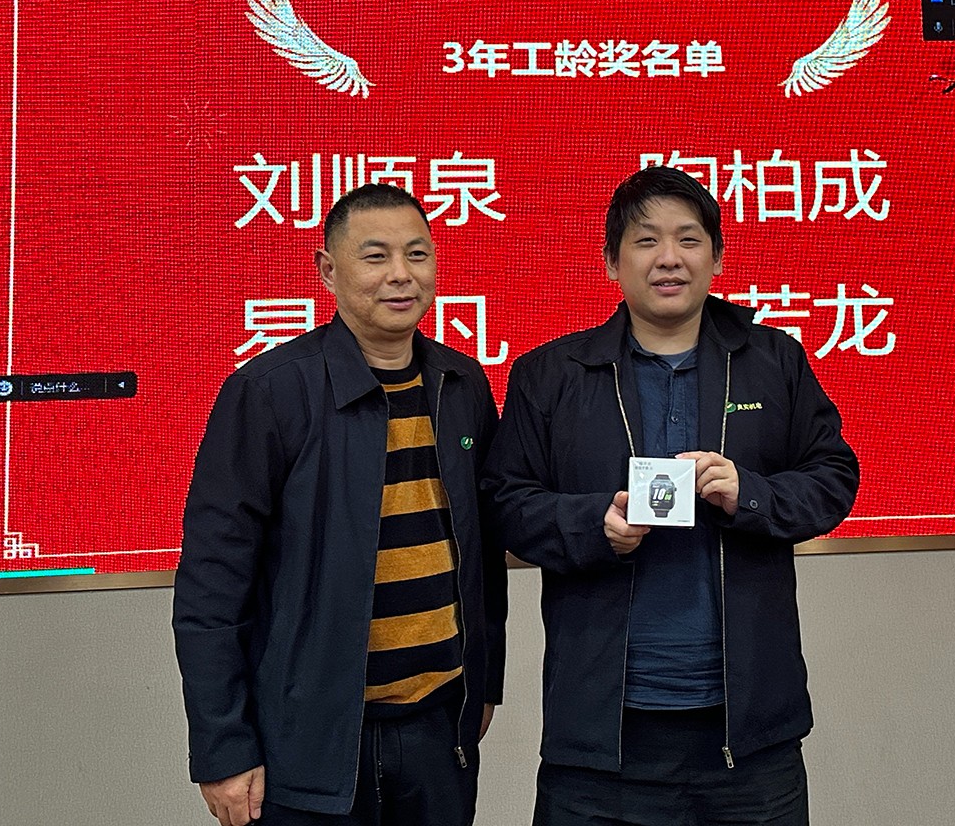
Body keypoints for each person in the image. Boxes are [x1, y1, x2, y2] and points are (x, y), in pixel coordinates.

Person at [483, 166, 859, 826]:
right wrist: (593, 522)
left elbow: (833, 478)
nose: (669, 258)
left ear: (717, 257)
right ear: (611, 262)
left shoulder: (772, 360)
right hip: (599, 737)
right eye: (646, 240)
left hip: (750, 739)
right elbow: (504, 504)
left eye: (688, 239)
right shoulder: (551, 374)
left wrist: (750, 494)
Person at [173, 183, 505, 826]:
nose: (401, 274)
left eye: (417, 253)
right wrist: (222, 747)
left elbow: (481, 552)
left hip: (439, 730)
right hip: (309, 741)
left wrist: (482, 683)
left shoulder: (461, 383)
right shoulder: (269, 391)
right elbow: (212, 585)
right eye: (375, 256)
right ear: (328, 270)